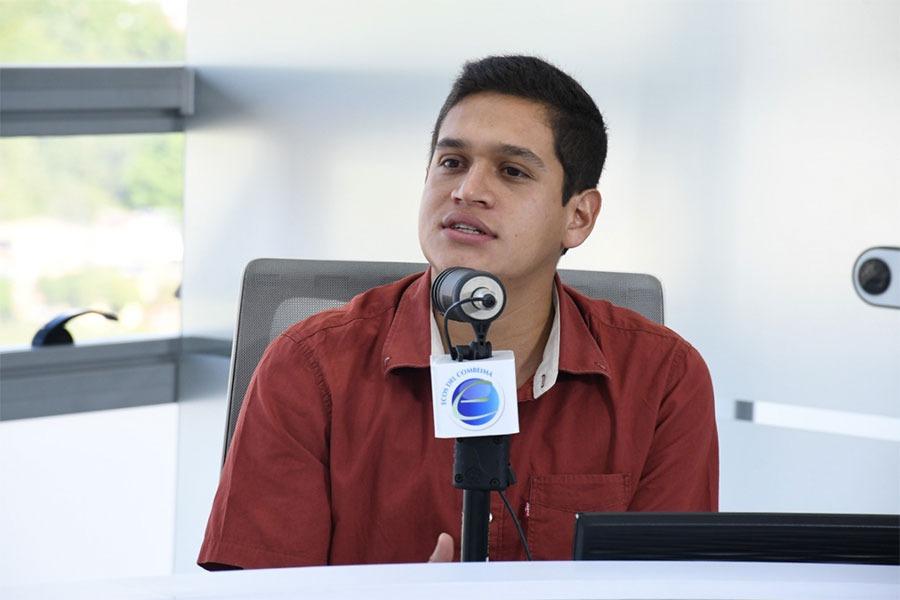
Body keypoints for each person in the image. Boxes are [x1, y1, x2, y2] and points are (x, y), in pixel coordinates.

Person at [198, 55, 718, 569]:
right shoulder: (308, 366)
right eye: (452, 163)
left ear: (578, 216)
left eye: (512, 171)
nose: (467, 191)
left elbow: (672, 585)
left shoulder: (663, 378)